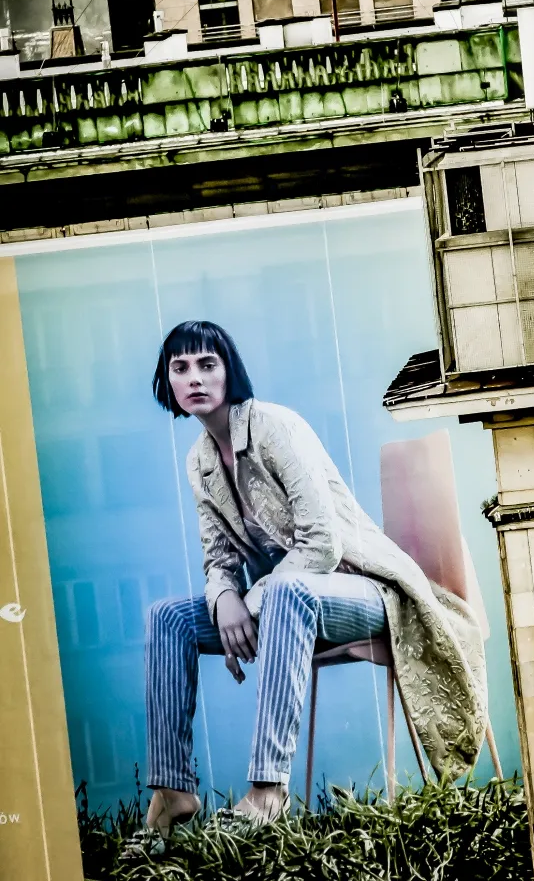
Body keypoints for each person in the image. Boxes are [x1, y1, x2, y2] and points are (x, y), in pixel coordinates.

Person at [134, 320, 487, 844]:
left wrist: (250, 600)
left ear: (231, 372)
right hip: (284, 605)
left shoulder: (275, 427)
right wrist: (226, 597)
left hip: (365, 590)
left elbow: (323, 542)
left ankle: (267, 790)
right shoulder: (200, 461)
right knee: (167, 618)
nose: (195, 378)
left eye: (208, 364)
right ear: (168, 381)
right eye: (180, 368)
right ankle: (173, 792)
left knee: (284, 590)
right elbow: (218, 559)